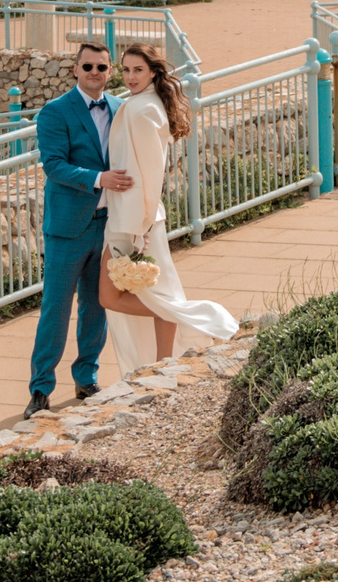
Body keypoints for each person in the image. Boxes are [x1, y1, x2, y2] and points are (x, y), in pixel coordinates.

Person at [97, 42, 239, 373]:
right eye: (127, 70)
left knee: (119, 297)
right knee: (149, 295)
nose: (130, 77)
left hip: (135, 221)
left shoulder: (144, 109)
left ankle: (199, 326)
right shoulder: (141, 104)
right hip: (130, 217)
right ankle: (164, 361)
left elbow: (150, 173)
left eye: (138, 70)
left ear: (153, 72)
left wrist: (140, 229)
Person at [25, 40, 135, 417]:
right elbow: (53, 165)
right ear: (76, 70)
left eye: (101, 68)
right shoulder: (55, 112)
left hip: (107, 226)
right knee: (55, 309)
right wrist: (98, 178)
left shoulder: (122, 109)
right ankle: (41, 389)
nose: (94, 73)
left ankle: (86, 377)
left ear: (110, 72)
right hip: (67, 228)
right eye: (87, 67)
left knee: (97, 306)